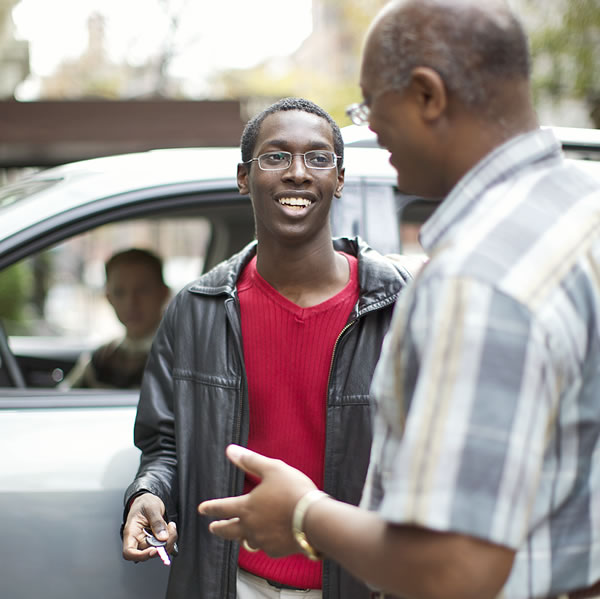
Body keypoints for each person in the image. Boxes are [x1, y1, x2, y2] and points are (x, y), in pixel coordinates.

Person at [198, 2, 600, 599]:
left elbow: (452, 569)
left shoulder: (475, 281)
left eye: (369, 105)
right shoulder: (582, 206)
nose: (370, 129)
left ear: (427, 96)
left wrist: (305, 515)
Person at [121, 97, 412, 598]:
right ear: (243, 177)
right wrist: (149, 492)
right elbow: (164, 442)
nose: (298, 172)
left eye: (318, 158)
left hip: (360, 583)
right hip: (233, 583)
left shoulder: (402, 305)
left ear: (339, 179)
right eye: (276, 157)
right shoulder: (197, 308)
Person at [61, 248, 169, 389]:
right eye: (119, 292)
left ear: (163, 293)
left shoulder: (180, 357)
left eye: (143, 290)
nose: (131, 303)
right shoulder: (101, 358)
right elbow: (63, 399)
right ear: (109, 298)